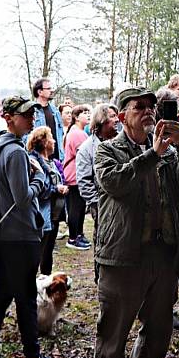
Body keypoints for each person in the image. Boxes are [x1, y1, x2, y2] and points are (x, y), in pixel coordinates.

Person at [93, 87, 179, 358]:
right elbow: (116, 183)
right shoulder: (107, 149)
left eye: (151, 106)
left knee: (157, 336)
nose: (147, 111)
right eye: (138, 106)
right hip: (123, 256)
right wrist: (153, 154)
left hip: (163, 255)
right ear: (121, 116)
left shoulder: (167, 153)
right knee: (112, 340)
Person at [0, 96, 51, 358]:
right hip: (22, 236)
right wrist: (41, 180)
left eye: (33, 115)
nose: (32, 119)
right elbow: (21, 198)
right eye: (26, 115)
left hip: (7, 236)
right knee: (26, 299)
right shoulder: (16, 152)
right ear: (9, 118)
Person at [27, 126, 68, 276]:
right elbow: (41, 190)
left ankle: (46, 281)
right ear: (44, 142)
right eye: (51, 138)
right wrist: (56, 189)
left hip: (53, 215)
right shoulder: (34, 161)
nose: (54, 141)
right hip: (42, 214)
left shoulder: (50, 162)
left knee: (48, 252)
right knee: (39, 252)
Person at [76, 104, 118, 240]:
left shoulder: (121, 143)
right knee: (104, 241)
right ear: (101, 120)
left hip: (123, 204)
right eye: (113, 116)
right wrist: (99, 203)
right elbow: (84, 182)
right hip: (102, 206)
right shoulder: (86, 149)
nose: (117, 119)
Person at [63, 104, 91, 250]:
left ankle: (79, 234)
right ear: (76, 117)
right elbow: (84, 154)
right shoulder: (76, 134)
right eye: (84, 113)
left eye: (88, 112)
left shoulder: (79, 132)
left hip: (78, 174)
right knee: (75, 207)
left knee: (80, 207)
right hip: (75, 175)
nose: (87, 115)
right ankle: (73, 238)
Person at [32, 78, 65, 161]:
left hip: (57, 159)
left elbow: (61, 134)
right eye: (48, 88)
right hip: (39, 159)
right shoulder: (32, 111)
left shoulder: (55, 110)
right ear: (39, 92)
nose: (52, 91)